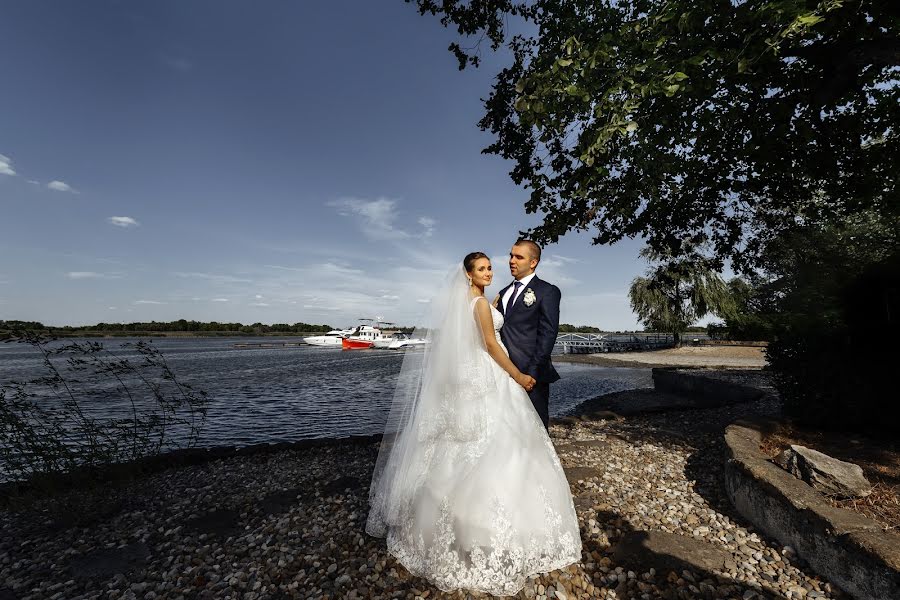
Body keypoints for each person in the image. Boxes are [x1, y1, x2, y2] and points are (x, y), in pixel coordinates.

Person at [365, 251, 581, 596]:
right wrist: (518, 375)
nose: (491, 271)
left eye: (490, 266)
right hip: (489, 373)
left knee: (451, 445)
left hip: (465, 377)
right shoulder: (480, 305)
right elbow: (492, 346)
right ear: (468, 274)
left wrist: (491, 304)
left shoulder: (475, 302)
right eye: (482, 268)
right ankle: (493, 530)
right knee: (498, 444)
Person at [494, 239, 561, 431]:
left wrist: (531, 372)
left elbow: (548, 333)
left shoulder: (547, 291)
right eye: (511, 255)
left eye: (518, 257)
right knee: (508, 428)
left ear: (533, 262)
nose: (511, 261)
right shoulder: (503, 293)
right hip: (502, 371)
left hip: (531, 374)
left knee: (535, 428)